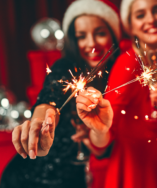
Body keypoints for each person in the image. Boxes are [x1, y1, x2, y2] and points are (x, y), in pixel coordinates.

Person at [3, 0, 120, 188]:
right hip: (26, 179)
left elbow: (102, 150)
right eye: (81, 36)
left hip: (73, 181)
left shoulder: (120, 78)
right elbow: (50, 99)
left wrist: (96, 132)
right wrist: (41, 122)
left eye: (100, 33)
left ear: (113, 36)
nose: (91, 43)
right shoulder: (66, 68)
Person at [87, 0, 157, 187]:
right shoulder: (129, 64)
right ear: (131, 26)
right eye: (140, 15)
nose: (151, 20)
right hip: (136, 172)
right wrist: (97, 131)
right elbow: (105, 130)